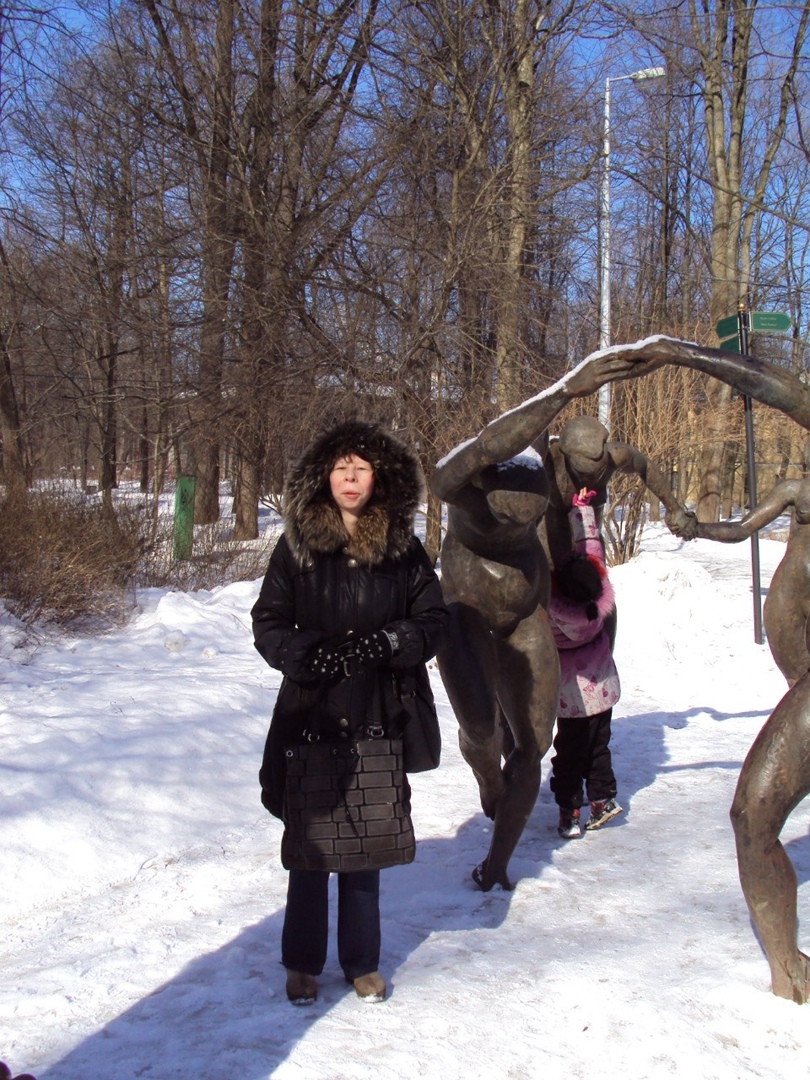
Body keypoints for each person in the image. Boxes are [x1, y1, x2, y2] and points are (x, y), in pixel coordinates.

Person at [251, 419, 447, 1006]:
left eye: (360, 467)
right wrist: (308, 655)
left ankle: (362, 961)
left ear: (379, 476)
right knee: (309, 850)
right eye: (341, 467)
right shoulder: (296, 548)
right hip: (309, 714)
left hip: (377, 714)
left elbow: (434, 622)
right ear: (324, 477)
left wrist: (388, 644)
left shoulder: (404, 550)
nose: (351, 477)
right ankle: (302, 963)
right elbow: (268, 623)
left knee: (368, 844)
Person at [432, 351, 641, 892]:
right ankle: (484, 770)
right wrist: (568, 388)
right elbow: (487, 444)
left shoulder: (546, 482)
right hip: (467, 616)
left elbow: (620, 472)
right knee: (482, 730)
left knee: (535, 743)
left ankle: (497, 862)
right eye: (507, 519)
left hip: (525, 617)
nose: (516, 530)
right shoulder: (461, 482)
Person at [696, 446, 810, 1001]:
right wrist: (695, 527)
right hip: (802, 671)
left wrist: (673, 350)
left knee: (752, 814)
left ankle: (787, 969)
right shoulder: (797, 492)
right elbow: (743, 527)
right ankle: (787, 968)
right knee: (751, 818)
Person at [547, 488, 622, 838]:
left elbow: (584, 556)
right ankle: (602, 801)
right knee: (598, 747)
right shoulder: (596, 600)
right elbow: (591, 549)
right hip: (602, 692)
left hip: (570, 699)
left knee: (568, 753)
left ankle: (568, 810)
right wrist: (582, 509)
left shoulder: (552, 616)